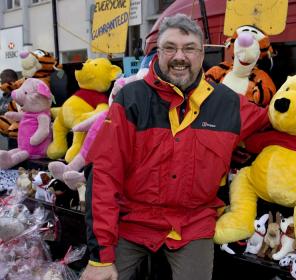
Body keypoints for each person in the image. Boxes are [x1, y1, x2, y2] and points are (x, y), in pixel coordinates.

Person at [80, 13, 271, 280]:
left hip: (192, 224)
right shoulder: (131, 98)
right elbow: (103, 175)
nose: (179, 56)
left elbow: (277, 121)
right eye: (169, 47)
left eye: (189, 48)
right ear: (158, 52)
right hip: (132, 221)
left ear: (202, 54)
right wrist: (100, 258)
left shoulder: (227, 104)